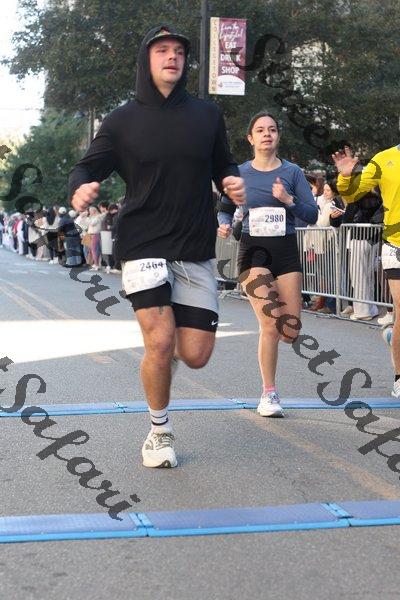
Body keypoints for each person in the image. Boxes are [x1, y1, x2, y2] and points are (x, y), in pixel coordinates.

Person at [69, 25, 245, 467]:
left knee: (196, 355)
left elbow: (223, 163)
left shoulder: (207, 115)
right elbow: (86, 167)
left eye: (179, 51)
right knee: (161, 341)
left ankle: (163, 363)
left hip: (194, 243)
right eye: (162, 50)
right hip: (143, 240)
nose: (172, 57)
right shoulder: (122, 120)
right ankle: (158, 432)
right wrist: (79, 188)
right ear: (146, 60)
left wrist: (231, 180)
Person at [218, 112, 318, 417]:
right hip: (253, 253)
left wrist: (288, 200)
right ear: (251, 138)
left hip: (285, 251)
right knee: (270, 324)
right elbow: (224, 208)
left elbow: (312, 214)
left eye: (272, 129)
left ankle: (270, 387)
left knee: (290, 331)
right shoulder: (239, 173)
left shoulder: (292, 172)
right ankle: (269, 393)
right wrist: (223, 224)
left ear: (278, 136)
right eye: (260, 130)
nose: (266, 134)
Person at [334, 144, 400, 397]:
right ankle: (399, 377)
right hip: (396, 244)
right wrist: (346, 176)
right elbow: (351, 195)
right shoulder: (384, 159)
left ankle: (392, 336)